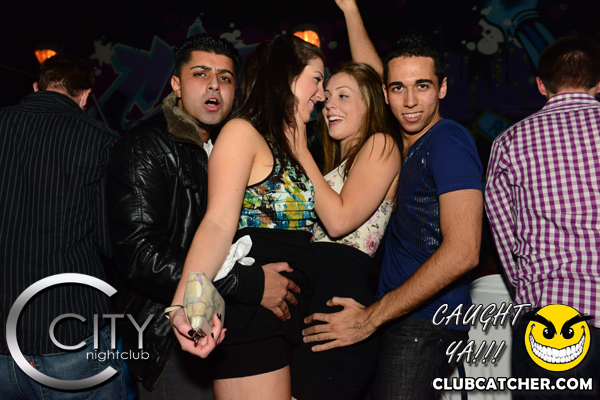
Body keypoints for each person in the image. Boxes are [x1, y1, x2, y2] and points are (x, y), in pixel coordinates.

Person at [107, 33, 302, 399]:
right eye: (200, 74)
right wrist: (244, 284)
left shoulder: (235, 144)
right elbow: (140, 256)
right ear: (176, 85)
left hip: (237, 333)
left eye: (225, 77)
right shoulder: (145, 146)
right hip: (171, 342)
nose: (214, 84)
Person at [302, 30, 484, 400]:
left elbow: (464, 251)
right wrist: (350, 11)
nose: (410, 100)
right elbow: (368, 77)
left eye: (422, 86)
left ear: (442, 88)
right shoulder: (406, 145)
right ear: (385, 94)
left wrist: (371, 316)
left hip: (427, 321)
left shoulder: (447, 139)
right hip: (400, 318)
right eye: (398, 88)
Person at [169, 34, 325, 400]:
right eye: (317, 80)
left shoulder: (289, 144)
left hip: (283, 320)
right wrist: (186, 305)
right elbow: (217, 223)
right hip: (253, 321)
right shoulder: (242, 132)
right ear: (288, 77)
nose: (323, 94)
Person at [0, 54, 126, 399]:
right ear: (85, 95)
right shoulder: (100, 140)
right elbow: (108, 241)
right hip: (68, 327)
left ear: (36, 87)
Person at [485, 35, 600, 399]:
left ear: (540, 85)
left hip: (552, 320)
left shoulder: (509, 142)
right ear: (599, 83)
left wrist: (528, 290)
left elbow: (505, 237)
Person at [291, 61, 400, 400]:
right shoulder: (333, 166)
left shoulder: (381, 144)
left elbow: (339, 222)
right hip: (312, 310)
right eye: (327, 97)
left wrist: (299, 149)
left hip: (338, 311)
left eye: (343, 95)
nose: (329, 104)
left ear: (370, 104)